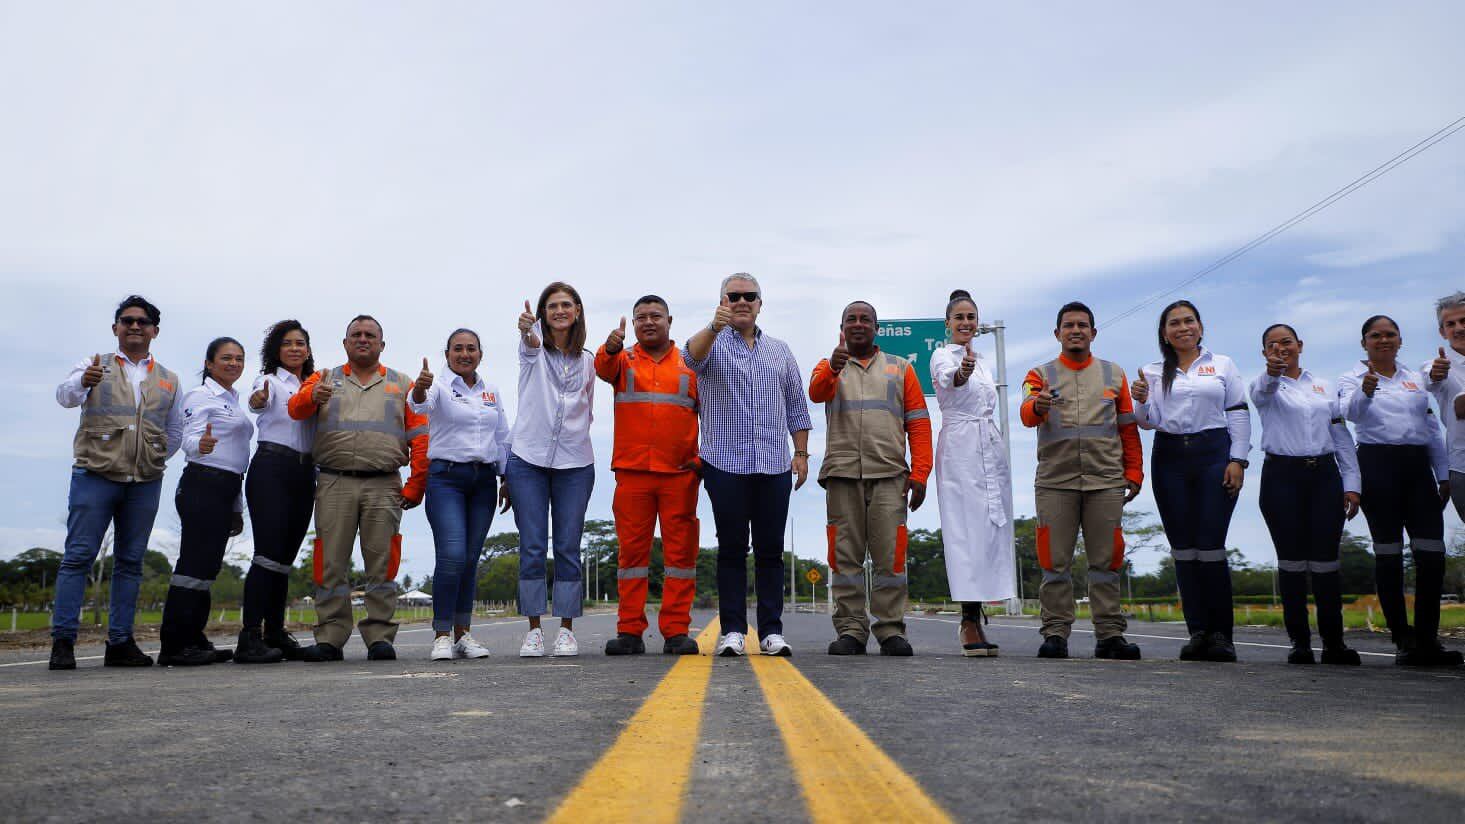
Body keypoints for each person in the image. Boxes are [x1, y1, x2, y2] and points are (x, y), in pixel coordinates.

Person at [49, 296, 184, 670]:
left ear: (155, 330)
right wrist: (82, 381)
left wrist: (152, 457)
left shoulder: (170, 380)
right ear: (116, 329)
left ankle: (120, 643)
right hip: (95, 476)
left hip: (144, 481)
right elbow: (64, 397)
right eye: (127, 321)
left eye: (143, 321)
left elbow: (174, 430)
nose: (135, 326)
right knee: (78, 558)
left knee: (130, 562)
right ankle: (63, 643)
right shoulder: (94, 366)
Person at [685, 273, 813, 657]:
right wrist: (713, 325)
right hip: (725, 463)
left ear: (760, 303)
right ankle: (734, 631)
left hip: (774, 463)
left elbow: (797, 407)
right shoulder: (711, 344)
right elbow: (688, 358)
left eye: (749, 296)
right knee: (731, 549)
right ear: (722, 300)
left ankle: (772, 631)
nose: (742, 301)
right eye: (733, 296)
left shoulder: (780, 350)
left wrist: (801, 454)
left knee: (771, 551)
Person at [287, 315, 428, 662]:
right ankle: (330, 638)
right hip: (335, 481)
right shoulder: (322, 379)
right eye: (356, 335)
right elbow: (295, 409)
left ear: (382, 344)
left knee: (382, 564)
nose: (363, 339)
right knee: (331, 562)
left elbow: (421, 438)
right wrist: (310, 398)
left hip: (384, 484)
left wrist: (416, 485)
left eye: (370, 335)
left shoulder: (404, 385)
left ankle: (380, 636)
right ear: (345, 343)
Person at [1020, 301, 1143, 661]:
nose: (1076, 330)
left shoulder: (1114, 375)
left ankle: (1109, 635)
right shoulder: (1039, 375)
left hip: (1105, 481)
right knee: (1054, 562)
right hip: (1056, 483)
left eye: (1083, 325)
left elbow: (1127, 429)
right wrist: (1039, 405)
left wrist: (1133, 472)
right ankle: (1055, 632)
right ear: (1057, 333)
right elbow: (1027, 413)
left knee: (1106, 561)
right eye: (1069, 325)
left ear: (1093, 332)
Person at [810, 301, 932, 656]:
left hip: (890, 476)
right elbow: (816, 392)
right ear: (842, 327)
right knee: (844, 559)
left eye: (865, 319)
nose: (858, 324)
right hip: (842, 475)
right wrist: (833, 367)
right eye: (852, 319)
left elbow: (919, 424)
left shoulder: (901, 369)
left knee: (890, 557)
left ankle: (891, 629)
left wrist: (921, 473)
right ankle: (851, 629)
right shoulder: (829, 365)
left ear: (876, 327)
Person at [1132, 300, 1251, 663]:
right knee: (1183, 548)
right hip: (1170, 457)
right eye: (1174, 324)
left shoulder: (1223, 365)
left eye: (1189, 321)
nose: (1183, 328)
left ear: (1200, 326)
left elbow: (1238, 413)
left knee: (1211, 544)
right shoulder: (1152, 371)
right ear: (1164, 334)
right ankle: (1198, 631)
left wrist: (1238, 460)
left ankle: (1221, 635)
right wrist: (1139, 401)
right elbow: (1147, 421)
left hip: (1214, 453)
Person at [1339, 315, 1458, 666]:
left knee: (1432, 555)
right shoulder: (1351, 378)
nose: (1383, 340)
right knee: (1389, 556)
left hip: (1417, 468)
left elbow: (1432, 428)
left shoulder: (1416, 379)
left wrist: (1442, 474)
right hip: (1377, 467)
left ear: (1400, 340)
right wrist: (1365, 390)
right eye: (1375, 336)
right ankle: (1403, 639)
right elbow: (1351, 415)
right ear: (1364, 343)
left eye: (1390, 334)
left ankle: (1427, 639)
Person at [595, 296, 703, 656]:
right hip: (633, 473)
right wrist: (609, 347)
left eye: (655, 316)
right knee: (631, 558)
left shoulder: (690, 364)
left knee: (680, 558)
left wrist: (702, 460)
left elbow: (715, 416)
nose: (648, 322)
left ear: (670, 320)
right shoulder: (622, 359)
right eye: (641, 317)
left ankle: (676, 631)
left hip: (680, 474)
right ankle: (629, 631)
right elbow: (601, 367)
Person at [1250, 324, 1363, 666]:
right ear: (1264, 352)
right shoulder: (1265, 384)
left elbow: (1341, 435)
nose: (1281, 348)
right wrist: (1272, 372)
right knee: (1292, 563)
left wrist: (1352, 483)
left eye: (1286, 342)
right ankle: (1300, 642)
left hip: (1324, 475)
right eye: (1272, 344)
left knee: (1327, 562)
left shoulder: (1323, 386)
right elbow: (1262, 393)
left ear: (1300, 344)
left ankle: (1334, 643)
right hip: (1282, 476)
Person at [411, 329, 511, 661]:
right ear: (447, 354)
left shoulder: (491, 391)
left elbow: (502, 435)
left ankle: (463, 634)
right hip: (446, 479)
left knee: (470, 560)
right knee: (452, 555)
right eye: (457, 349)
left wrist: (506, 477)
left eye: (471, 349)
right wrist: (421, 387)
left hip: (482, 481)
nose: (464, 354)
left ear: (480, 354)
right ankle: (441, 634)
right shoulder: (438, 387)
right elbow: (418, 403)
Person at [508, 284, 596, 657]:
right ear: (543, 313)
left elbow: (587, 407)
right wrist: (526, 328)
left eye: (566, 305)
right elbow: (528, 341)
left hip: (575, 463)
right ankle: (532, 629)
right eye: (551, 306)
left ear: (577, 310)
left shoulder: (587, 360)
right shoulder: (533, 353)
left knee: (567, 546)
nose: (559, 310)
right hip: (527, 460)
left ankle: (566, 629)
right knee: (531, 546)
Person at [159, 338, 254, 666]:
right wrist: (202, 443)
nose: (234, 363)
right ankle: (174, 644)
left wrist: (236, 506)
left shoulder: (233, 399)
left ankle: (194, 637)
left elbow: (237, 459)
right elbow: (188, 437)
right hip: (203, 482)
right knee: (193, 565)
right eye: (226, 358)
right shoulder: (201, 396)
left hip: (227, 486)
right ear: (209, 363)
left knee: (208, 568)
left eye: (239, 358)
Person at [930, 290, 1013, 657]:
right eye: (959, 317)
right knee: (965, 530)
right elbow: (952, 380)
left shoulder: (983, 362)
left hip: (988, 444)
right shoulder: (942, 355)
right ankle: (967, 620)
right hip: (961, 448)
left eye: (971, 317)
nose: (966, 323)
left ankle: (978, 614)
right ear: (947, 323)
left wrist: (971, 368)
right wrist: (961, 372)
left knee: (990, 531)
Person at [236, 320, 317, 663]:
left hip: (304, 472)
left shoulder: (316, 386)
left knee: (284, 560)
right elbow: (257, 401)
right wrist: (257, 399)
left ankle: (275, 632)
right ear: (276, 350)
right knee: (267, 555)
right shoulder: (268, 381)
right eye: (288, 343)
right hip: (272, 467)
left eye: (301, 343)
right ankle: (249, 636)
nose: (295, 348)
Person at [1424, 291, 1465, 520]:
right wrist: (1436, 373)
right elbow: (1460, 407)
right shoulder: (1437, 365)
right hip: (1463, 468)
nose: (1458, 328)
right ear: (1442, 332)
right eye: (1451, 324)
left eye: (1464, 321)